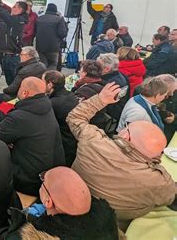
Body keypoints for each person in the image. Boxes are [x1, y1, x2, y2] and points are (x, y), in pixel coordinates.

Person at [66, 83, 175, 221]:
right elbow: (168, 198)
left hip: (75, 203)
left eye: (128, 127)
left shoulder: (93, 141)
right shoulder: (159, 181)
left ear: (125, 136)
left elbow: (75, 118)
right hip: (119, 223)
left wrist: (100, 100)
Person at [0, 77, 65, 196]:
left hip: (29, 181)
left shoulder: (19, 117)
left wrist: (6, 122)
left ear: (24, 92)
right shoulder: (46, 106)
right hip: (49, 173)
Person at [8, 167, 118, 240]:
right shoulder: (107, 225)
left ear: (48, 201)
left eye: (43, 181)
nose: (42, 181)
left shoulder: (22, 236)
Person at [43, 71, 79, 167]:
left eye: (42, 81)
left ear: (50, 84)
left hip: (63, 144)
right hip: (73, 140)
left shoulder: (53, 103)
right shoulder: (70, 95)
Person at [97, 53, 130, 121]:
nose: (95, 67)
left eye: (98, 65)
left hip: (109, 116)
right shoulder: (121, 75)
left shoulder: (110, 83)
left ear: (107, 69)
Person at [35, 3, 68, 70]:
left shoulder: (39, 18)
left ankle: (42, 78)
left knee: (42, 65)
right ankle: (49, 79)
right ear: (55, 10)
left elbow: (35, 31)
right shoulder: (59, 19)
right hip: (53, 47)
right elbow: (63, 33)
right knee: (52, 64)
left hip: (40, 47)